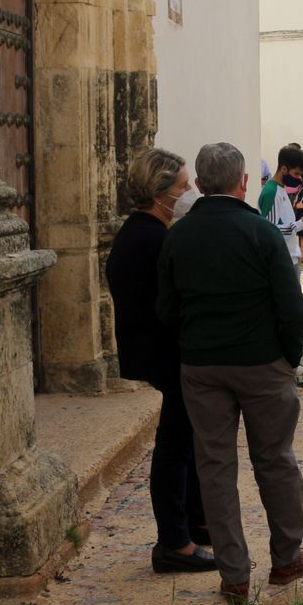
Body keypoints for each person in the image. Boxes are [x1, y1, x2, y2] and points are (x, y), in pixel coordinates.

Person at [156, 142, 303, 602]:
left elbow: (166, 309)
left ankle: (234, 575)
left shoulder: (177, 237)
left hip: (203, 366)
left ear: (201, 186)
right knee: (276, 461)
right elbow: (291, 304)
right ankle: (286, 559)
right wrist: (290, 357)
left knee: (215, 467)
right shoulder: (261, 234)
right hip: (263, 363)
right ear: (244, 182)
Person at [108, 148, 214, 576]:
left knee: (186, 441)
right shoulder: (153, 238)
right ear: (159, 191)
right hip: (166, 352)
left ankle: (193, 522)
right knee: (174, 446)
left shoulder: (144, 231)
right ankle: (175, 542)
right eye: (183, 186)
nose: (190, 192)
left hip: (160, 349)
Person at [259, 145, 303, 263]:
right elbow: (270, 230)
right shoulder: (271, 192)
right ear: (284, 169)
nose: (299, 179)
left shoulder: (280, 189)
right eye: (296, 174)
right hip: (282, 260)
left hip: (289, 257)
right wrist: (300, 224)